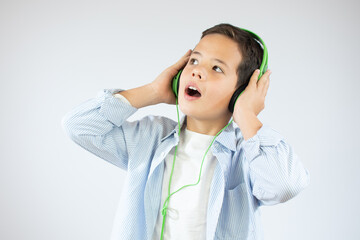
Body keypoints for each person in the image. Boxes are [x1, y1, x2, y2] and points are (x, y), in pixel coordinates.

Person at [61, 23, 310, 240]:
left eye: (217, 69)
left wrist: (246, 114)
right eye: (194, 60)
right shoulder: (150, 138)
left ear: (241, 92)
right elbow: (79, 126)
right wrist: (152, 91)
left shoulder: (248, 154)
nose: (197, 70)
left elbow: (284, 185)